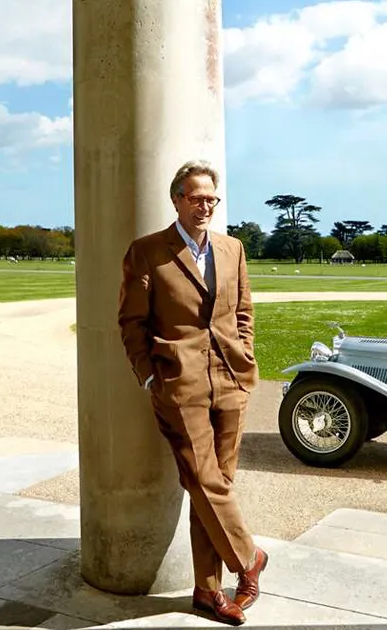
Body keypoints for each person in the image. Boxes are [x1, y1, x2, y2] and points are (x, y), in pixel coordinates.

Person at [117, 159, 268, 626]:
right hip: (178, 384)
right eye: (197, 198)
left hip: (231, 380)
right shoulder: (147, 252)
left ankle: (207, 592)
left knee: (215, 487)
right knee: (202, 480)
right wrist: (149, 376)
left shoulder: (232, 249)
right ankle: (250, 557)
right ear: (177, 199)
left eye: (212, 199)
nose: (206, 207)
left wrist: (244, 360)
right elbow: (131, 323)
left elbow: (242, 310)